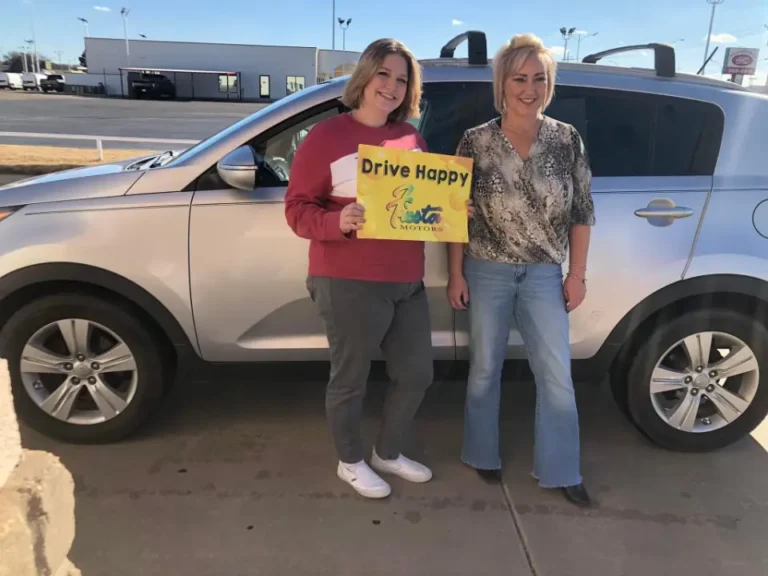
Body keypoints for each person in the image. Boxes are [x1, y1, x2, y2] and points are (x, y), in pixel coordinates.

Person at [446, 34, 596, 507]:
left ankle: (561, 468)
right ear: (502, 84)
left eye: (539, 79)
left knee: (556, 374)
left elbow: (582, 211)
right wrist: (456, 273)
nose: (529, 89)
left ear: (549, 84)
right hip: (486, 269)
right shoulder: (476, 141)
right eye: (519, 79)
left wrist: (577, 274)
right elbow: (454, 213)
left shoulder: (566, 139)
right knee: (484, 368)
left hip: (544, 273)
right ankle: (481, 453)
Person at [284, 38, 435, 499]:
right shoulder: (326, 136)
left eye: (402, 79)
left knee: (416, 373)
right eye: (383, 74)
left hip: (407, 279)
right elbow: (297, 209)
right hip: (347, 278)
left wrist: (450, 208)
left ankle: (387, 453)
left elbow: (421, 203)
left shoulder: (411, 138)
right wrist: (337, 221)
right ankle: (349, 461)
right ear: (365, 77)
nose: (392, 86)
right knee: (350, 378)